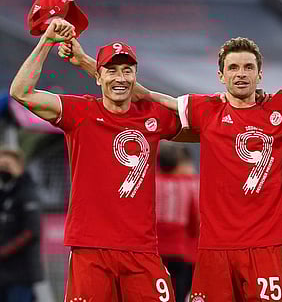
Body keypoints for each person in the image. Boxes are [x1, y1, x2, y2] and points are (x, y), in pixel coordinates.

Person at [59, 28, 282, 302]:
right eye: (233, 67)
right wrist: (89, 65)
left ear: (260, 73)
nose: (241, 73)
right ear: (221, 75)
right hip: (214, 249)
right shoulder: (206, 109)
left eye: (249, 67)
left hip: (266, 248)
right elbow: (141, 92)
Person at [10, 18, 179, 301]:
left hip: (142, 249)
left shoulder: (153, 115)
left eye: (127, 71)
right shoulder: (80, 111)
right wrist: (46, 42)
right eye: (111, 71)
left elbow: (198, 124)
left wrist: (86, 61)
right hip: (90, 248)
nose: (121, 78)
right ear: (98, 77)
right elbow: (21, 92)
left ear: (136, 75)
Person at [155, 142, 199, 302]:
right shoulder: (191, 183)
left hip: (156, 252)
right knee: (179, 296)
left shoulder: (151, 183)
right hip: (183, 252)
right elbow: (196, 221)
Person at [0, 147, 43, 302]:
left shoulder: (27, 192)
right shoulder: (4, 194)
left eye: (7, 166)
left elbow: (32, 231)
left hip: (21, 274)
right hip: (3, 274)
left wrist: (4, 251)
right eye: (1, 166)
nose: (4, 170)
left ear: (19, 166)